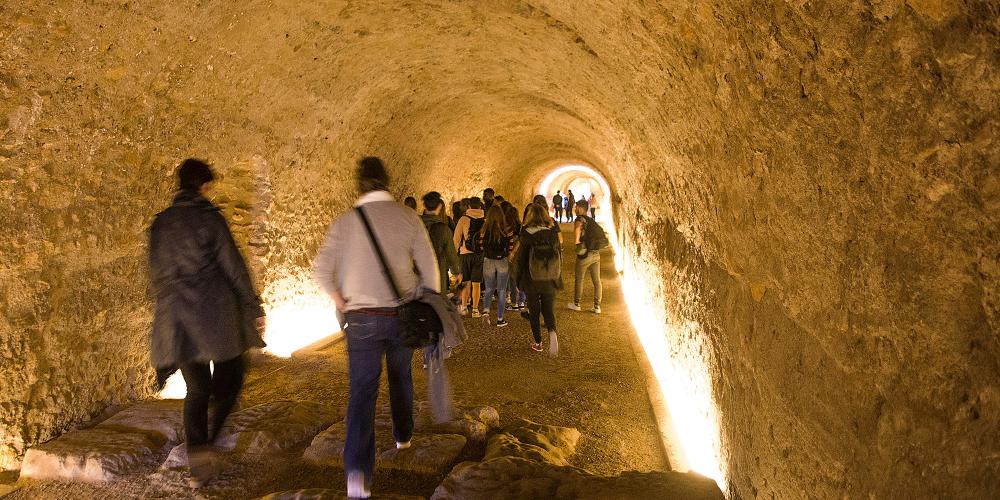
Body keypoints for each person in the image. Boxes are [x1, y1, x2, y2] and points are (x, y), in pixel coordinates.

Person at [313, 157, 439, 500]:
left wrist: (341, 300)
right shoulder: (408, 217)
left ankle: (357, 475)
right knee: (400, 375)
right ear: (387, 182)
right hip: (401, 315)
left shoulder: (345, 223)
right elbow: (431, 274)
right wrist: (426, 302)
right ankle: (403, 436)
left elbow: (322, 271)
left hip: (362, 319)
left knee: (362, 393)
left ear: (359, 185)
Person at [148, 158, 266, 488]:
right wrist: (254, 305)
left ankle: (198, 461)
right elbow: (233, 266)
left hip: (177, 321)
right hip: (214, 317)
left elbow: (156, 274)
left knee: (196, 389)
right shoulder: (208, 219)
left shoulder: (161, 224)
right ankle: (210, 441)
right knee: (232, 376)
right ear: (204, 186)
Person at [514, 203, 563, 353]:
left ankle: (538, 343)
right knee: (549, 309)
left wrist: (518, 281)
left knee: (534, 312)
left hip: (531, 280)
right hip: (550, 277)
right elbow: (559, 256)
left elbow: (520, 260)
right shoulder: (552, 234)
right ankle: (552, 333)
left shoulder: (526, 234)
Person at [479, 205, 514, 327]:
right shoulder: (507, 229)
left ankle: (486, 312)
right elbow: (510, 245)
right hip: (502, 261)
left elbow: (481, 245)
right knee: (502, 290)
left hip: (488, 260)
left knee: (489, 288)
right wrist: (507, 254)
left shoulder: (484, 229)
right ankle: (500, 318)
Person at [420, 192, 462, 292]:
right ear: (439, 206)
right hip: (437, 273)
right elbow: (451, 254)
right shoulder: (443, 229)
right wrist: (456, 272)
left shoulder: (415, 224)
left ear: (424, 206)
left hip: (418, 274)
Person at [568, 200, 603, 314]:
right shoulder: (590, 220)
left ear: (580, 207)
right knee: (597, 281)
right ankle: (597, 306)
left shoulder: (579, 219)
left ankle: (577, 304)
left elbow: (578, 229)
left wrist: (577, 243)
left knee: (579, 279)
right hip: (595, 254)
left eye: (576, 207)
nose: (575, 209)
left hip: (585, 253)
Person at [454, 197, 486, 317]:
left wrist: (455, 253)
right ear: (480, 206)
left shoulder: (463, 219)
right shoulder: (485, 220)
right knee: (476, 283)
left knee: (466, 281)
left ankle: (463, 307)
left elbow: (456, 239)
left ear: (469, 206)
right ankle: (475, 310)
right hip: (479, 254)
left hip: (465, 254)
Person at [501, 201, 526, 311]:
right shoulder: (521, 227)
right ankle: (521, 302)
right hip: (521, 254)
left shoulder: (507, 228)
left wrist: (511, 252)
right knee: (521, 277)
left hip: (511, 254)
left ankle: (514, 302)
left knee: (512, 278)